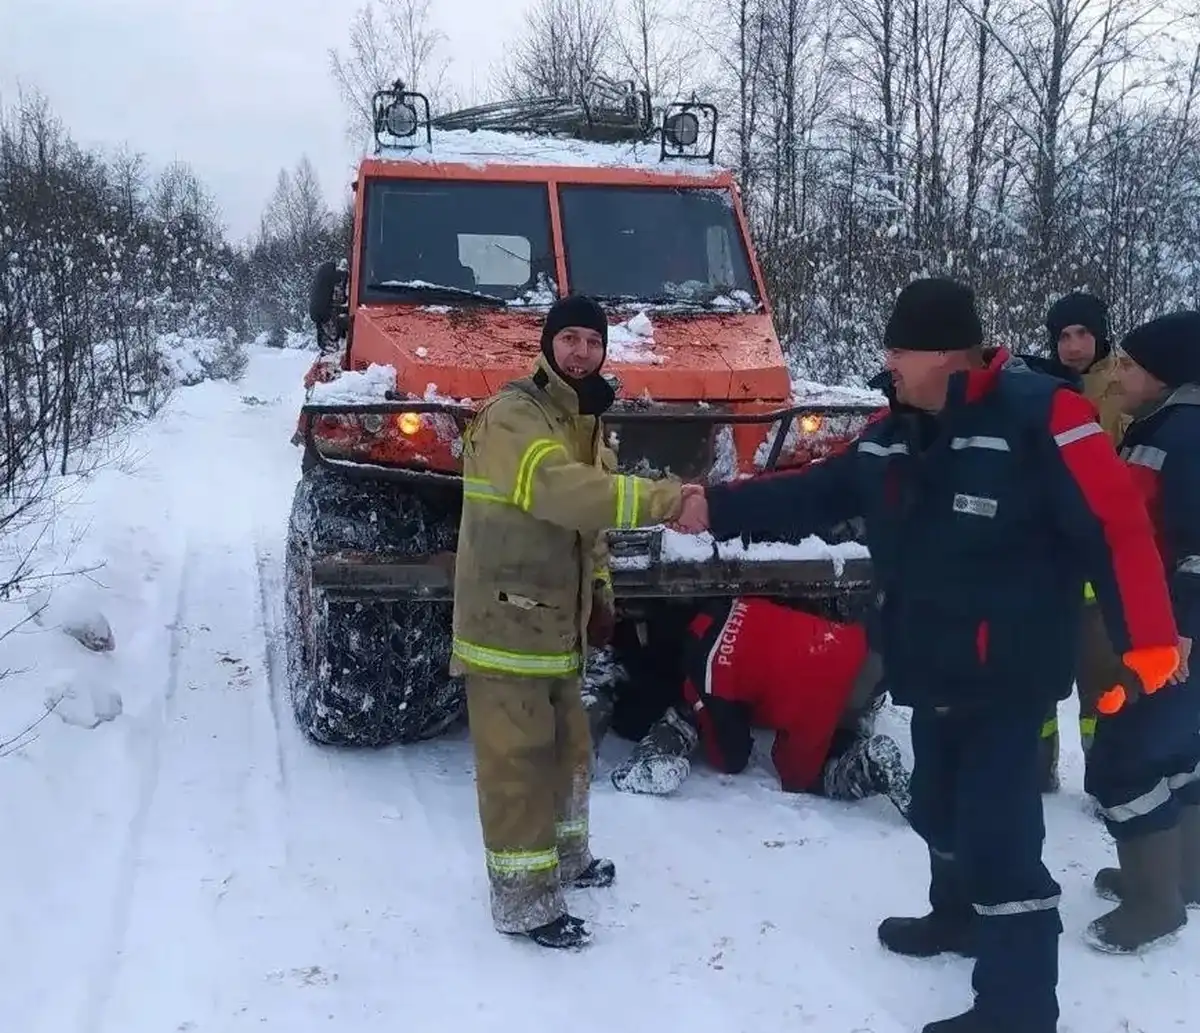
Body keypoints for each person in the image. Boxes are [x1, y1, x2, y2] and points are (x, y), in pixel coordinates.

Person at [670, 277, 1180, 1033]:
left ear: (946, 351)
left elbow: (1118, 526)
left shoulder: (1045, 415)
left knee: (1002, 844)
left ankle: (1019, 1008)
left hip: (1010, 676)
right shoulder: (895, 432)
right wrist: (719, 503)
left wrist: (1149, 645)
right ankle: (957, 918)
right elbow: (817, 489)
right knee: (937, 809)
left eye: (899, 348)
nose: (889, 362)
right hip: (931, 668)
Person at [451, 293, 692, 950]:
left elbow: (590, 531)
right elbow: (561, 492)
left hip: (555, 623)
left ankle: (565, 861)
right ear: (547, 344)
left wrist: (604, 591)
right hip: (503, 624)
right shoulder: (515, 415)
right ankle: (523, 900)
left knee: (567, 751)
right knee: (517, 763)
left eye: (593, 340)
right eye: (571, 339)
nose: (582, 351)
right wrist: (666, 499)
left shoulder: (584, 420)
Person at [1081, 311, 1200, 954]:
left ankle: (1154, 905)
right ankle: (1183, 875)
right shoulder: (1159, 427)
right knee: (1176, 749)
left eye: (1128, 363)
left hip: (1170, 630)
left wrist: (1181, 630)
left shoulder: (1184, 435)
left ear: (1165, 374)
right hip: (1163, 624)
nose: (1117, 371)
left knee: (1124, 759)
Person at [586, 597, 911, 814]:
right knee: (730, 752)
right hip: (715, 663)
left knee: (679, 690)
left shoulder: (846, 635)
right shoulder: (820, 705)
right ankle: (645, 762)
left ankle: (662, 715)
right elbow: (793, 774)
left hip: (724, 614)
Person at [1021, 292, 1129, 792]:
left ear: (1101, 333)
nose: (1072, 345)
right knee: (1036, 678)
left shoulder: (1127, 387)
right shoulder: (1040, 387)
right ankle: (1035, 768)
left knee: (1103, 685)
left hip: (1102, 562)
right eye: (1063, 335)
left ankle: (1106, 777)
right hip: (1047, 562)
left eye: (1082, 333)